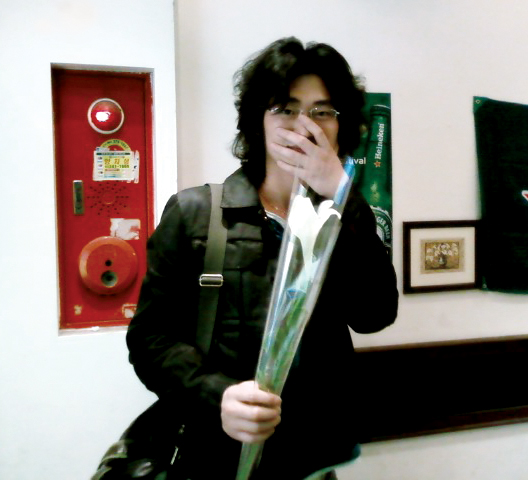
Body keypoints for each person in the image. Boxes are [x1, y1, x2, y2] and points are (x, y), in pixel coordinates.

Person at [126, 37, 398, 479]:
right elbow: (150, 339)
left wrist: (343, 197)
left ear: (340, 124)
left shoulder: (341, 217)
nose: (304, 125)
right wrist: (218, 396)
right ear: (259, 119)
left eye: (322, 111)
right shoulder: (196, 213)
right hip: (217, 455)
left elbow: (374, 314)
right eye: (286, 109)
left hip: (315, 458)